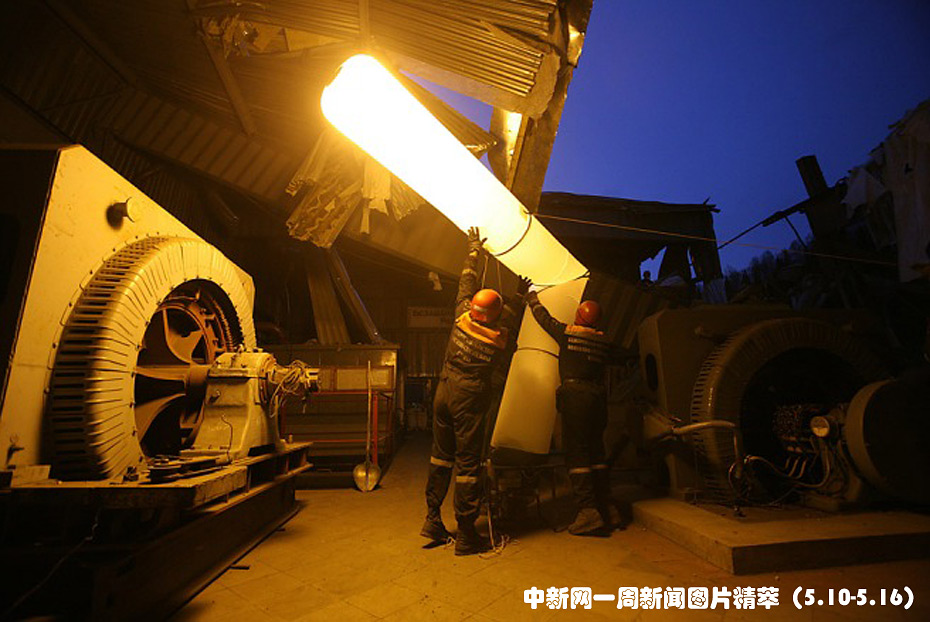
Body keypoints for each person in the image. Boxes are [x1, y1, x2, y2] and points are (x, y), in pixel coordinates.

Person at [421, 227, 528, 555]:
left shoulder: (460, 317)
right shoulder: (499, 339)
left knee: (440, 457)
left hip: (443, 393)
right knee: (468, 467)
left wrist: (473, 251)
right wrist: (521, 295)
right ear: (494, 317)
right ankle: (467, 534)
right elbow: (510, 317)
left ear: (472, 309)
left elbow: (466, 284)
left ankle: (432, 519)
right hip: (469, 401)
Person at [525, 286, 619, 535]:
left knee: (577, 454)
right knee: (597, 452)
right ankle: (607, 507)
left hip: (576, 397)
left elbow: (545, 320)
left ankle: (588, 512)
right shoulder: (605, 342)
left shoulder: (567, 334)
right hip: (598, 399)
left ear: (578, 317)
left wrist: (532, 298)